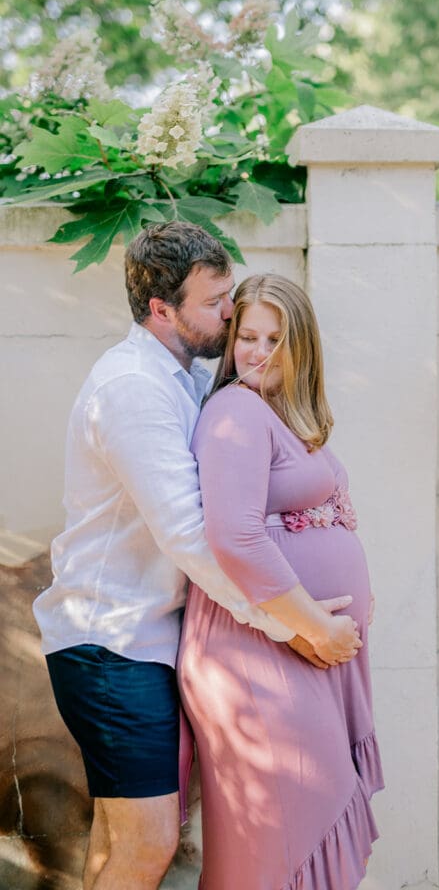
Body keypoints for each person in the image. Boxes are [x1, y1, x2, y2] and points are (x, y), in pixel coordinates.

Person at [33, 223, 359, 890]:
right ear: (162, 310)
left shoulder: (180, 379)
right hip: (114, 646)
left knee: (115, 844)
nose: (230, 312)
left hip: (137, 642)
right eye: (214, 303)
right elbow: (193, 534)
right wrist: (292, 625)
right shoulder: (134, 390)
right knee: (147, 847)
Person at [178, 273, 384, 890]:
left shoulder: (278, 414)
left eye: (276, 338)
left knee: (293, 825)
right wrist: (316, 625)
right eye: (247, 336)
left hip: (295, 650)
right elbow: (236, 537)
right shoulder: (236, 410)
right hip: (255, 654)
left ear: (304, 347)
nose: (258, 352)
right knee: (284, 827)